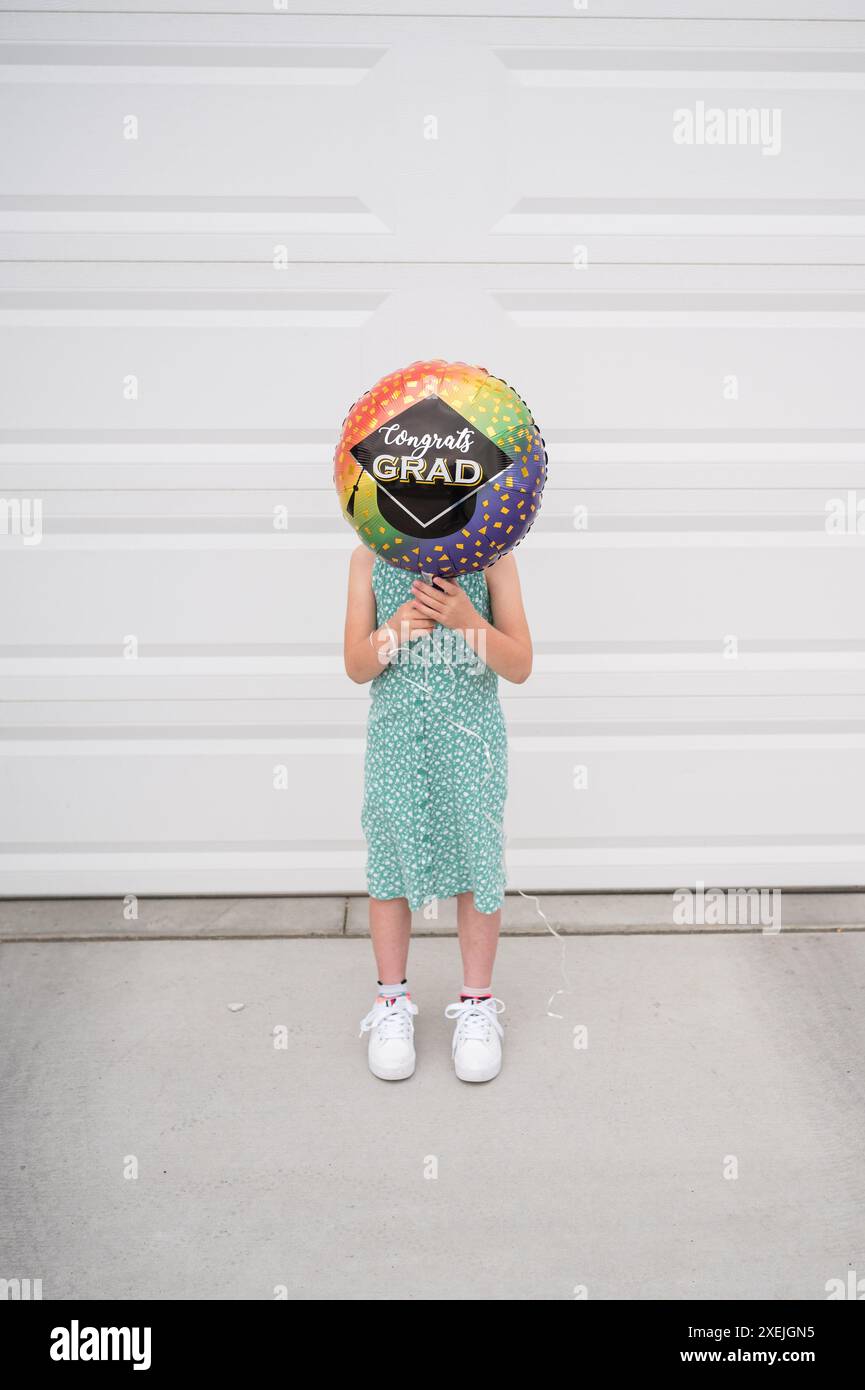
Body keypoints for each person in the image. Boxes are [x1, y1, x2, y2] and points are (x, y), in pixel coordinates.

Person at [343, 545, 533, 1083]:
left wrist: (466, 621)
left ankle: (476, 1003)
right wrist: (396, 629)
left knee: (478, 863)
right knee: (390, 868)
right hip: (397, 740)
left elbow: (520, 665)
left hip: (469, 744)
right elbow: (356, 666)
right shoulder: (367, 558)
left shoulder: (493, 558)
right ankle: (391, 1002)